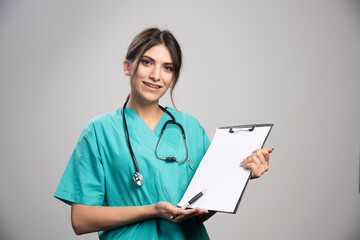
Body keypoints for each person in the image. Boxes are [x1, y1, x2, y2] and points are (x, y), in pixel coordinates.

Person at [54, 27, 273, 240]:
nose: (156, 75)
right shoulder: (99, 131)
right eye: (147, 62)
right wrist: (152, 210)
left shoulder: (190, 128)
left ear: (173, 77)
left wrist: (241, 175)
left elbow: (202, 211)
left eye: (167, 68)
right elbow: (81, 220)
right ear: (127, 67)